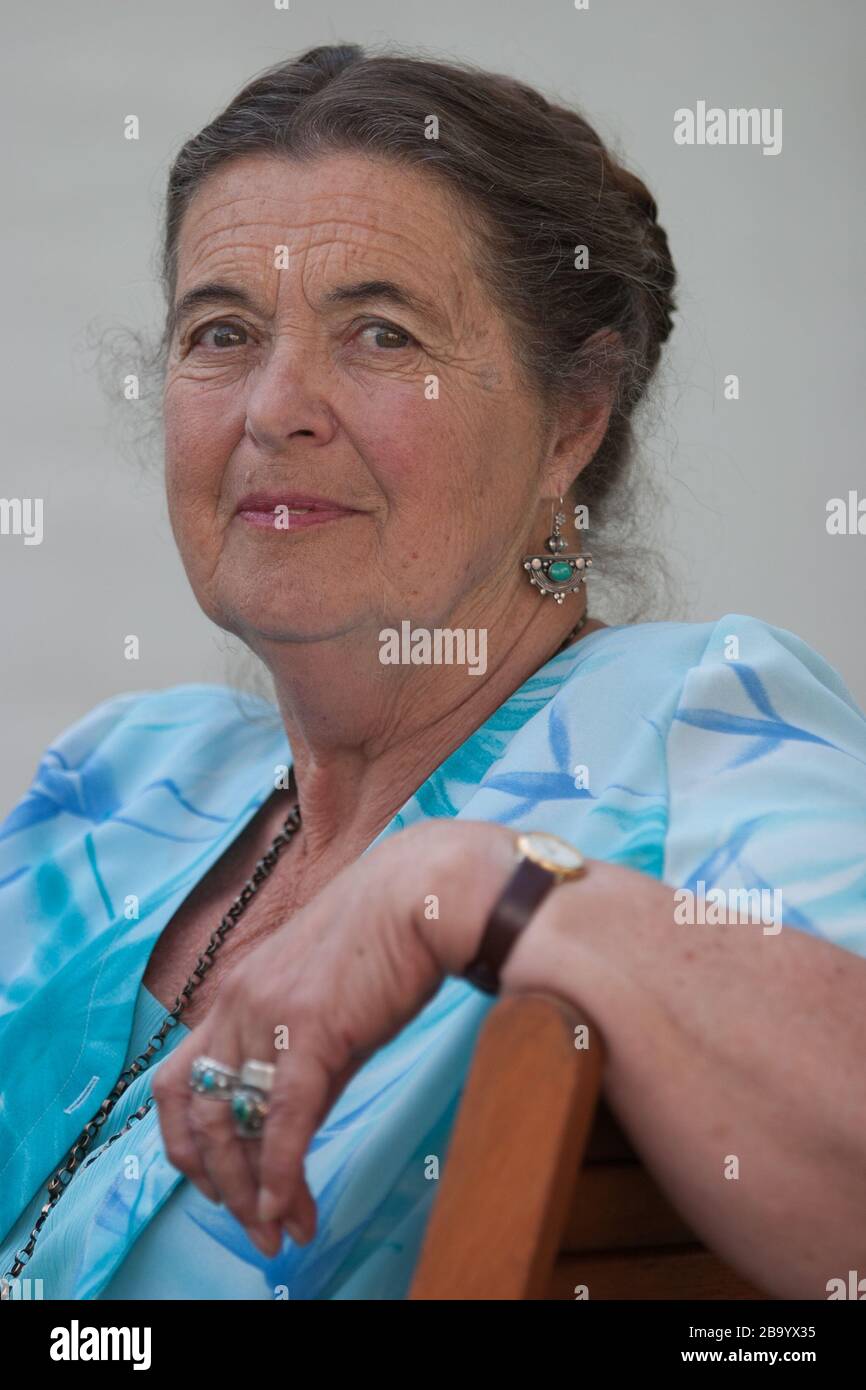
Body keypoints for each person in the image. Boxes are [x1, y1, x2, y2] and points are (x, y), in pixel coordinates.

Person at [1, 43, 864, 1302]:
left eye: (379, 332)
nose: (274, 407)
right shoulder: (122, 778)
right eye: (223, 331)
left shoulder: (694, 720)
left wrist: (471, 884)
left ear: (574, 415)